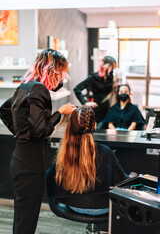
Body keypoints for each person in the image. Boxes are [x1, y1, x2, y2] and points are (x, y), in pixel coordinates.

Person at [0, 49, 75, 234]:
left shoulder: (25, 86)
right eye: (61, 73)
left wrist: (21, 133)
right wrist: (60, 113)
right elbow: (41, 130)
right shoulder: (39, 90)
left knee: (22, 216)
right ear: (54, 70)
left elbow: (4, 110)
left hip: (20, 158)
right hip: (30, 164)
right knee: (27, 219)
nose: (62, 79)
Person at [46, 106, 128, 218]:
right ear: (94, 125)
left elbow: (50, 177)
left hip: (73, 205)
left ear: (71, 126)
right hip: (102, 208)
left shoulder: (64, 153)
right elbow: (121, 181)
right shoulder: (105, 152)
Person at [73, 56, 117, 124]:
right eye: (111, 67)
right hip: (97, 109)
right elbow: (77, 89)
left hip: (107, 108)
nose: (112, 70)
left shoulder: (110, 77)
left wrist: (113, 86)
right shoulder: (93, 77)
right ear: (105, 66)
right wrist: (85, 103)